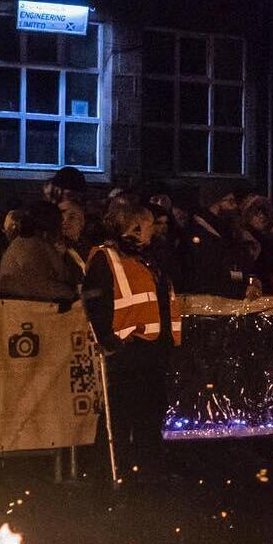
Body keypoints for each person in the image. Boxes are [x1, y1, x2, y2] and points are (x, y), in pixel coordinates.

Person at [81, 199, 181, 480]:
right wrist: (109, 339)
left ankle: (147, 471)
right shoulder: (107, 257)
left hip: (153, 348)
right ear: (134, 226)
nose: (154, 231)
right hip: (128, 349)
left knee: (151, 415)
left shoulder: (149, 257)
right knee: (121, 417)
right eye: (149, 225)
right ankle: (111, 473)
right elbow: (95, 301)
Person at [181, 189, 262, 298]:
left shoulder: (227, 232)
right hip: (210, 303)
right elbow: (205, 276)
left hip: (229, 299)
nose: (235, 207)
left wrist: (248, 280)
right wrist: (241, 290)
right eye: (230, 202)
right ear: (215, 203)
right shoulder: (198, 234)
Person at [0, 201, 76, 303]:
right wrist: (71, 294)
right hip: (25, 311)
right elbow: (37, 286)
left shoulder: (24, 244)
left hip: (17, 308)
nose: (61, 232)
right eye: (58, 226)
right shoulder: (32, 247)